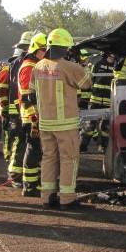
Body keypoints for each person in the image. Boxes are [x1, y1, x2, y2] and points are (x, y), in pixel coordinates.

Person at [30, 28, 91, 210]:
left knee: (48, 158)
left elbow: (31, 93)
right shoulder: (69, 67)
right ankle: (67, 199)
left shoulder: (37, 66)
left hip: (45, 123)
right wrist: (80, 64)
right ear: (66, 47)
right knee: (69, 159)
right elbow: (87, 84)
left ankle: (47, 197)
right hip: (65, 124)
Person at [16, 32, 47, 197]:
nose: (45, 53)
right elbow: (28, 95)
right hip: (31, 116)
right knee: (33, 149)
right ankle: (29, 186)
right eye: (43, 50)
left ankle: (34, 182)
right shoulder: (29, 66)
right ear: (35, 49)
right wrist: (35, 117)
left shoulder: (36, 64)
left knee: (36, 150)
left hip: (36, 115)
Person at [5, 31, 34, 186]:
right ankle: (15, 176)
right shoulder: (24, 63)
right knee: (21, 143)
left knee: (22, 142)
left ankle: (18, 174)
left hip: (17, 109)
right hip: (21, 109)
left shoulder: (17, 62)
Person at [80, 52, 115, 152]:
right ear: (107, 55)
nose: (113, 58)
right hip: (95, 99)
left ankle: (103, 147)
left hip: (108, 101)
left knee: (105, 127)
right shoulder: (98, 64)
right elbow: (91, 80)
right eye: (111, 55)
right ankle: (82, 146)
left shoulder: (116, 66)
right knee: (89, 124)